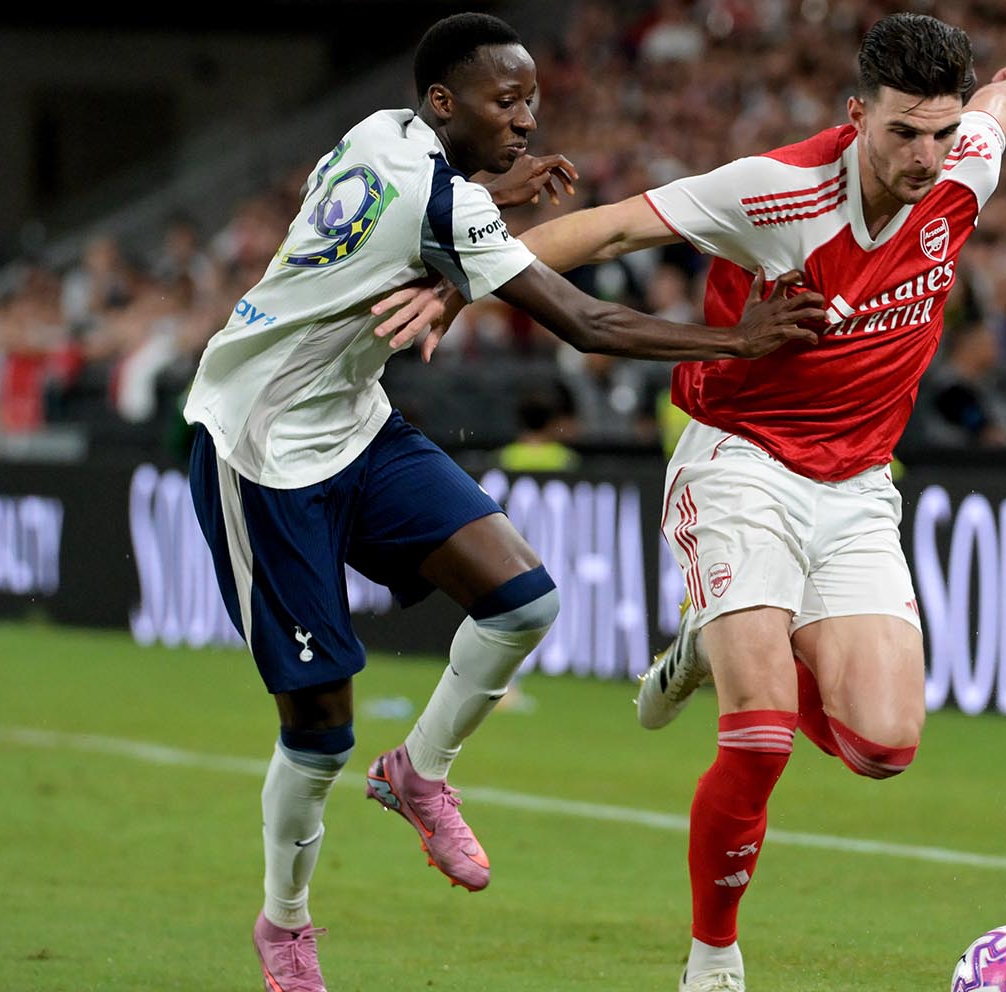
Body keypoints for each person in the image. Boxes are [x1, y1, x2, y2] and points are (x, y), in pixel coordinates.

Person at [176, 14, 824, 992]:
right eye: (505, 101)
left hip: (353, 422)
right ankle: (287, 923)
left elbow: (402, 213)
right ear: (444, 102)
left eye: (532, 100)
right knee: (318, 727)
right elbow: (588, 323)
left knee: (523, 598)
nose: (526, 120)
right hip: (257, 449)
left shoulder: (379, 133)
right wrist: (740, 341)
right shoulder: (438, 200)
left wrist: (486, 196)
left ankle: (418, 772)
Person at [509, 14, 1006, 990]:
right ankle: (713, 956)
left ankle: (709, 639)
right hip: (743, 461)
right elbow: (612, 228)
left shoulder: (964, 163)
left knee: (883, 747)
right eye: (901, 132)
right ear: (857, 115)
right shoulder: (776, 190)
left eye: (939, 133)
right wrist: (459, 277)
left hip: (859, 483)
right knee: (761, 734)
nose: (924, 156)